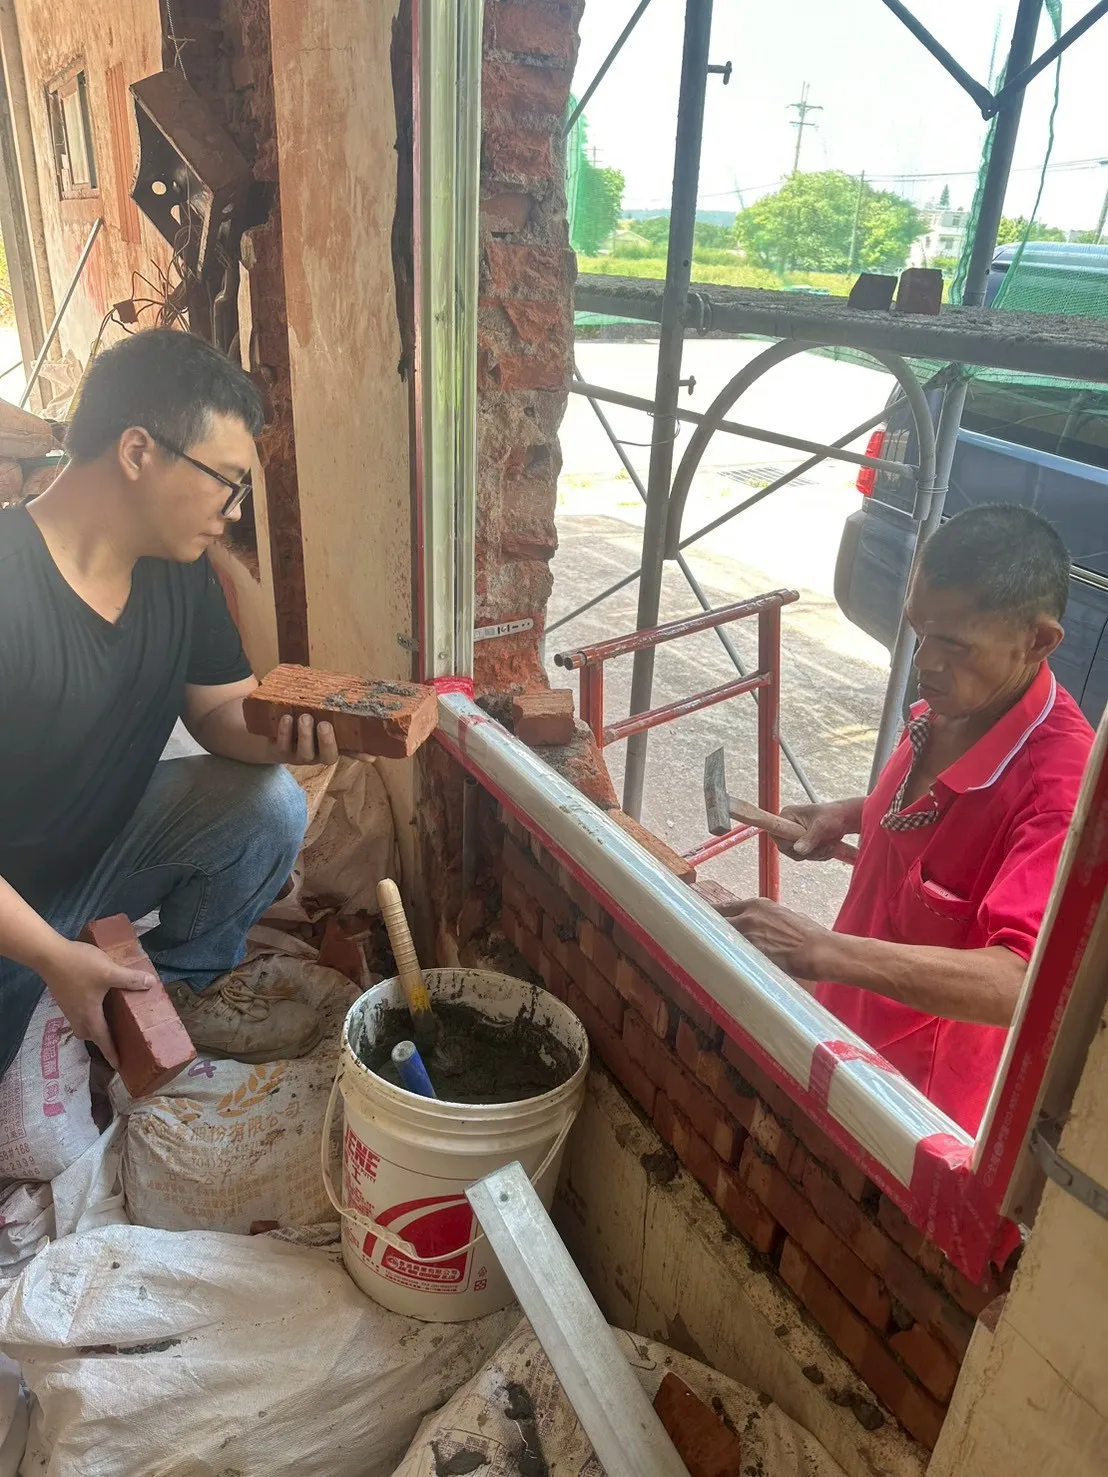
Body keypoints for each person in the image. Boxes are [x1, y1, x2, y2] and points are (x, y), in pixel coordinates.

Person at [0, 328, 340, 1087]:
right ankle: (67, 974)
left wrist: (287, 733)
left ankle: (177, 988)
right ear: (136, 452)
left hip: (97, 856)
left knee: (266, 804)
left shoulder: (178, 569)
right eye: (226, 481)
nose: (233, 511)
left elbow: (221, 712)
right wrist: (51, 956)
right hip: (8, 899)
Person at [723, 504, 1094, 1135]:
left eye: (954, 644)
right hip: (840, 1028)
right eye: (919, 629)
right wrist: (854, 814)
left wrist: (821, 949)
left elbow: (1021, 982)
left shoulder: (1057, 794)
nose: (924, 661)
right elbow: (936, 822)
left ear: (1037, 642)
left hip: (910, 1103)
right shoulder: (957, 702)